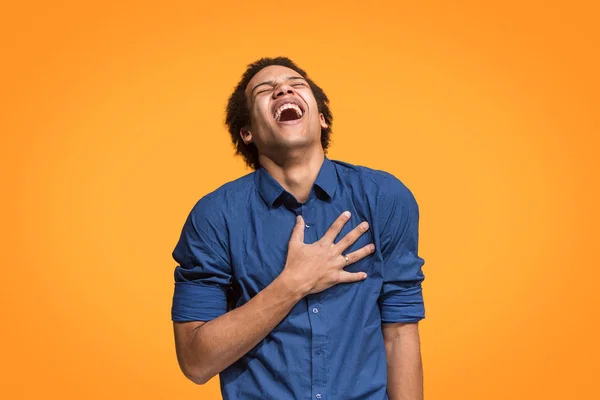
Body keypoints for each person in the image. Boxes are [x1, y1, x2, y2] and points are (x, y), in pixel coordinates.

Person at [171, 57, 426, 400]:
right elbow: (195, 362)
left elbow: (400, 334)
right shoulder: (215, 216)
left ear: (320, 118)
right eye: (264, 90)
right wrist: (293, 284)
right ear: (247, 132)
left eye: (296, 84)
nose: (282, 88)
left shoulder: (385, 198)